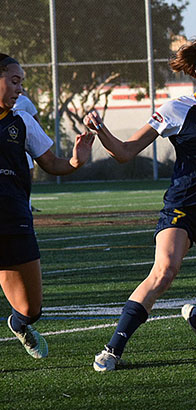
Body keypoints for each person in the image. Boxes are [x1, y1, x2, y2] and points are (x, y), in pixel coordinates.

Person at [83, 39, 196, 372]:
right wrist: (101, 130)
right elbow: (124, 152)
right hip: (184, 207)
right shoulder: (177, 110)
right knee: (164, 270)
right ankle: (113, 348)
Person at [0, 54, 94, 358]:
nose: (20, 89)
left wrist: (77, 160)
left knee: (31, 308)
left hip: (15, 220)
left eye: (22, 83)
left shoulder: (22, 121)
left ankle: (18, 323)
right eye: (14, 81)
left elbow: (53, 163)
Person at [14, 92, 43, 211]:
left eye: (19, 82)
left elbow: (36, 120)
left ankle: (26, 203)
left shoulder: (24, 101)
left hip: (21, 146)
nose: (18, 87)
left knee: (28, 174)